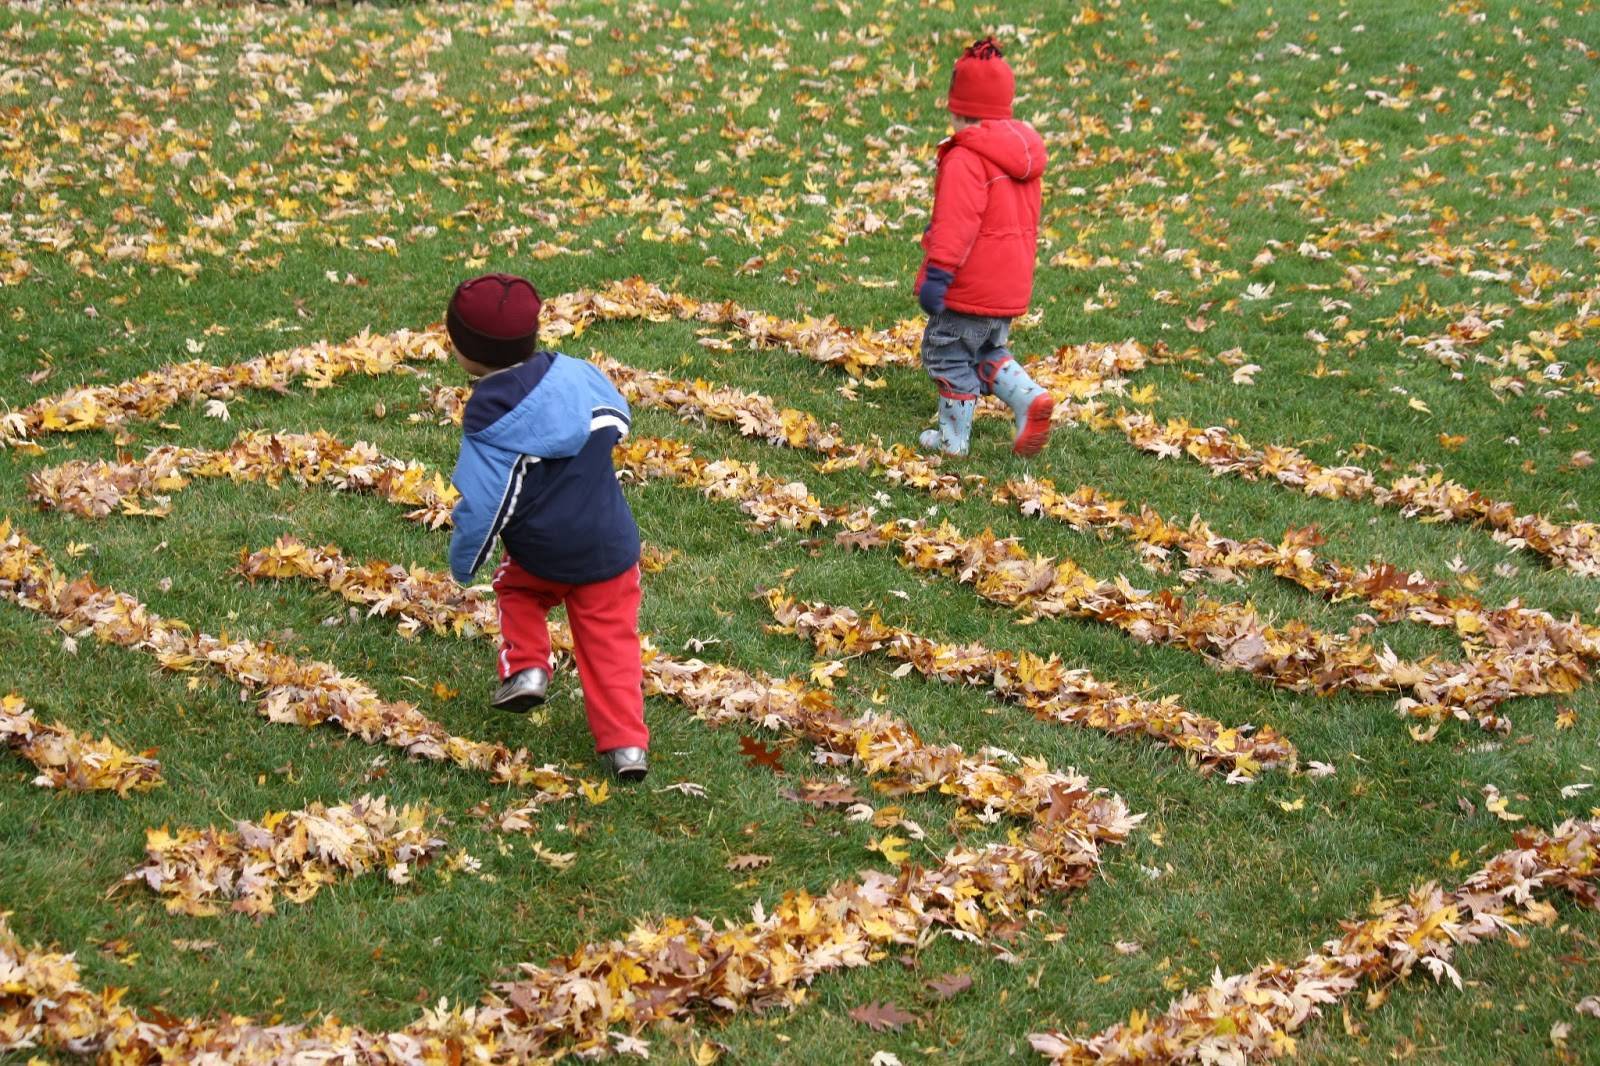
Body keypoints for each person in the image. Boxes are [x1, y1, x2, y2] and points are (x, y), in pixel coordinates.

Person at [444, 273, 649, 780]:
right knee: (612, 643)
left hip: (541, 554)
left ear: (468, 355)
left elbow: (484, 502)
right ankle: (626, 748)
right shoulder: (577, 374)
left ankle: (528, 667)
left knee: (516, 590)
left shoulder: (489, 423)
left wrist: (463, 560)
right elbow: (616, 416)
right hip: (611, 548)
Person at [914, 37, 1054, 458]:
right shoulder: (1020, 154)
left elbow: (956, 224)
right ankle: (1027, 397)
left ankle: (952, 440)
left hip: (968, 286)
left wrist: (938, 274)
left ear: (959, 110)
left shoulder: (966, 158)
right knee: (986, 350)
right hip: (1007, 287)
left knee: (944, 354)